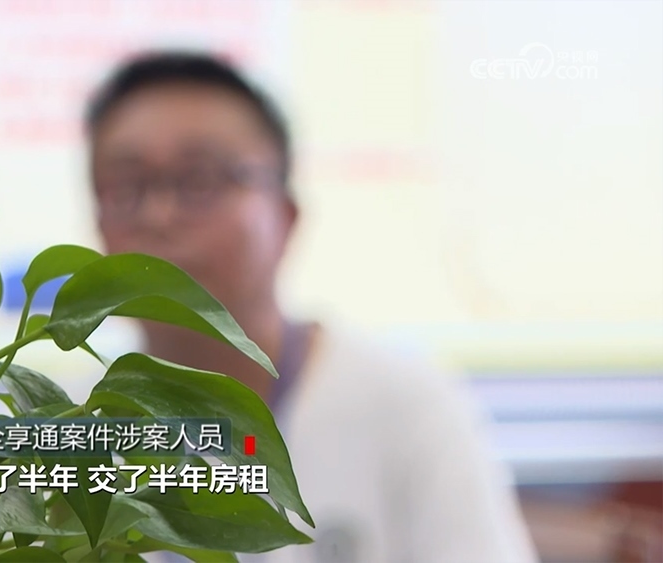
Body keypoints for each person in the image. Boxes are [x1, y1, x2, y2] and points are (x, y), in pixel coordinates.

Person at [84, 51, 538, 563]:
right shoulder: (63, 425)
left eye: (199, 180)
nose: (159, 215)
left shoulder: (408, 406)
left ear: (284, 217)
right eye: (125, 187)